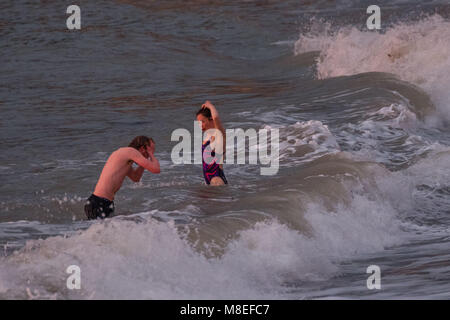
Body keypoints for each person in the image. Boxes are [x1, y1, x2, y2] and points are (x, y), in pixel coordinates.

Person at [84, 136, 160, 219]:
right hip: (99, 203)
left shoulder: (125, 157)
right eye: (149, 151)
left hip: (103, 203)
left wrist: (146, 158)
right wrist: (151, 155)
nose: (149, 154)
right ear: (142, 148)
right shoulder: (131, 151)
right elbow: (156, 169)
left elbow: (135, 177)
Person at [196, 101, 228, 186]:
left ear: (210, 119)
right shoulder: (207, 137)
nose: (200, 125)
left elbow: (216, 118)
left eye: (203, 122)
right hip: (208, 181)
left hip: (217, 180)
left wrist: (210, 105)